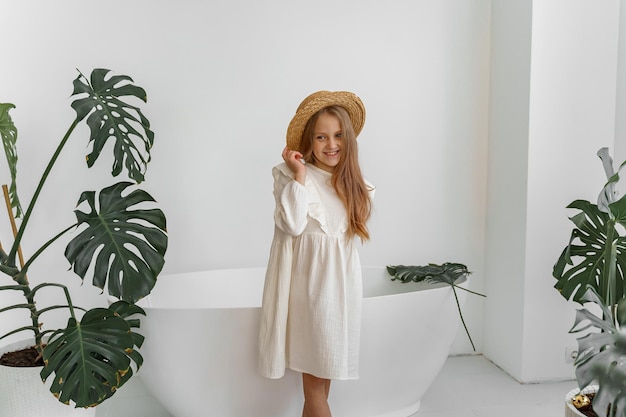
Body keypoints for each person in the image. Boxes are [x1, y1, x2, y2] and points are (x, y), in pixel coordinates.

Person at [258, 91, 374, 417]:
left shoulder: (353, 184)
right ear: (309, 141)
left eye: (337, 135)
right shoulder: (291, 177)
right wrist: (299, 175)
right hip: (309, 293)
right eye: (321, 137)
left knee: (322, 385)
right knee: (314, 385)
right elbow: (292, 225)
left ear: (348, 139)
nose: (330, 144)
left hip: (342, 295)